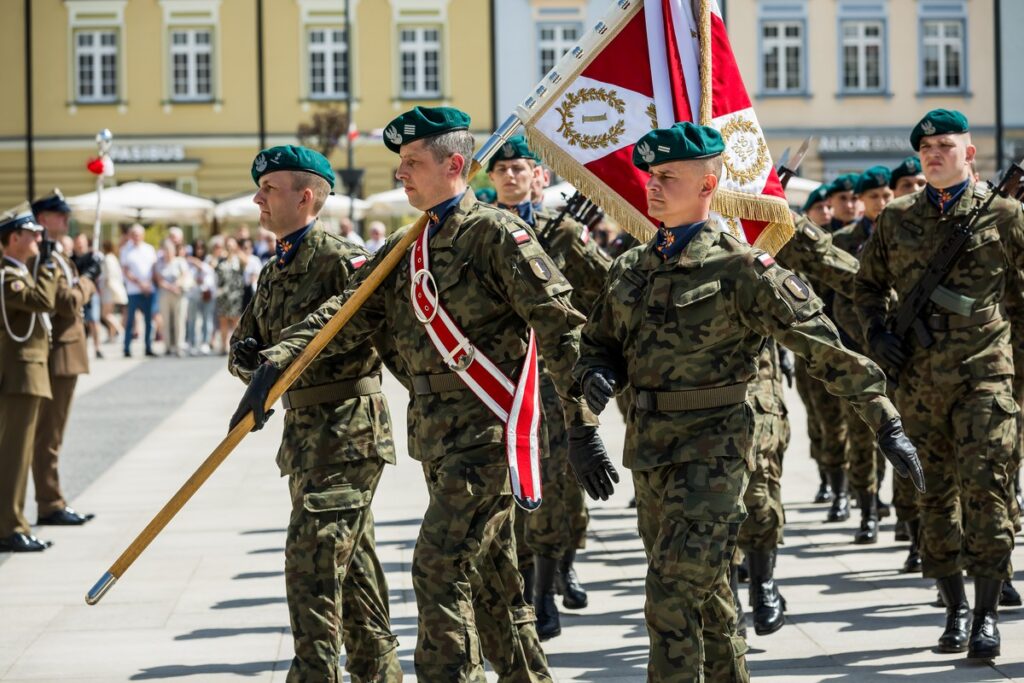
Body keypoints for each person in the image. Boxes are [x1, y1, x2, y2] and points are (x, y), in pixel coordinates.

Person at [231, 106, 608, 682]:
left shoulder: (495, 234)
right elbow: (343, 314)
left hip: (489, 437)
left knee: (437, 570)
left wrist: (581, 426)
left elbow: (559, 323)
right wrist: (275, 364)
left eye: (412, 162)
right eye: (400, 163)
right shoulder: (410, 245)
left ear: (454, 164)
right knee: (493, 585)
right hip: (438, 440)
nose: (400, 173)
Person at [572, 122, 923, 682]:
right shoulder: (630, 269)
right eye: (650, 176)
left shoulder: (742, 270)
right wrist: (586, 417)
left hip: (715, 457)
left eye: (667, 177)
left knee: (669, 596)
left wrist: (885, 423)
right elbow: (596, 347)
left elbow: (824, 348)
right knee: (707, 598)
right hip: (651, 456)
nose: (652, 187)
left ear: (708, 185)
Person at [228, 145, 401, 682]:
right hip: (305, 440)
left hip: (346, 432)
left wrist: (274, 358)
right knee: (352, 575)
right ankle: (379, 674)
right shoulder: (273, 268)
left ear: (305, 196)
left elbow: (353, 326)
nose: (258, 198)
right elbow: (250, 341)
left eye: (269, 189)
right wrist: (247, 359)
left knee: (312, 567)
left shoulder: (341, 258)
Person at [856, 109, 1022, 660]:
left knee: (988, 493)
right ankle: (951, 606)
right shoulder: (897, 218)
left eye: (944, 144)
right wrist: (877, 333)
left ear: (969, 153)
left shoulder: (1005, 216)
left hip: (985, 377)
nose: (932, 153)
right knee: (932, 497)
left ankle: (986, 615)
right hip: (920, 380)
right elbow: (868, 287)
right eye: (925, 146)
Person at [487, 136, 612, 639]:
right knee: (518, 481)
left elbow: (609, 287)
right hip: (506, 381)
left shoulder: (563, 233)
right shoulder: (485, 232)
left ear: (539, 175)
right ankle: (531, 586)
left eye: (520, 168)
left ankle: (556, 572)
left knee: (562, 486)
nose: (512, 176)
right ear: (491, 179)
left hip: (559, 380)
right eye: (503, 170)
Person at [830, 167, 895, 545]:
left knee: (900, 434)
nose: (881, 203)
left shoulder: (905, 232)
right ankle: (867, 510)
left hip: (901, 352)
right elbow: (838, 302)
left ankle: (901, 511)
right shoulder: (843, 240)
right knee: (861, 436)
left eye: (887, 195)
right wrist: (865, 340)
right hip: (857, 353)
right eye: (874, 197)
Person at [30, 191, 98, 527]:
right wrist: (88, 280)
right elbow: (66, 302)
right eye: (60, 215)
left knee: (52, 435)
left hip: (66, 351)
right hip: (58, 352)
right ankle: (50, 502)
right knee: (49, 436)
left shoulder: (55, 253)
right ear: (43, 219)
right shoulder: (43, 255)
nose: (66, 221)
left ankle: (52, 499)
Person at [0, 205, 58, 551]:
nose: (39, 237)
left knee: (18, 456)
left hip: (28, 373)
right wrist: (49, 267)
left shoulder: (17, 272)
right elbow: (42, 300)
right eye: (31, 233)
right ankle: (10, 527)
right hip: (20, 375)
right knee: (14, 457)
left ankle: (14, 523)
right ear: (14, 238)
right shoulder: (9, 276)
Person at [120, 224, 158, 357]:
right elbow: (126, 270)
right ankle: (126, 347)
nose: (136, 237)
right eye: (134, 234)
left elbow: (154, 269)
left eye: (138, 234)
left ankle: (148, 346)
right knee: (130, 320)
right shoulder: (125, 250)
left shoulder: (149, 249)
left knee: (149, 320)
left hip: (149, 289)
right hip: (133, 291)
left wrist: (148, 284)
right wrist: (140, 283)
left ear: (142, 235)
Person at [154, 240, 192, 357]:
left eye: (170, 250)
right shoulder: (159, 263)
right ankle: (167, 346)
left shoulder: (180, 261)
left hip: (179, 294)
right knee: (166, 320)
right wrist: (170, 287)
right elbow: (159, 280)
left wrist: (177, 285)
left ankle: (179, 345)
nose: (168, 253)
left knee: (179, 320)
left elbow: (184, 275)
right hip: (165, 294)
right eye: (166, 250)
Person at [214, 236, 245, 354]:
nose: (229, 247)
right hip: (223, 295)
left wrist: (236, 252)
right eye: (228, 245)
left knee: (236, 321)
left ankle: (235, 345)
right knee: (223, 320)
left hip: (236, 294)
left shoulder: (239, 259)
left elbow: (246, 262)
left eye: (232, 245)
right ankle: (223, 346)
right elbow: (214, 267)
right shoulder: (221, 259)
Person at [185, 239, 216, 355]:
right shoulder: (188, 261)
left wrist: (196, 262)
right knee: (192, 320)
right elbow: (187, 275)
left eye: (201, 247)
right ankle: (191, 343)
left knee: (206, 319)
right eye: (197, 248)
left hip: (207, 294)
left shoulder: (208, 259)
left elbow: (209, 271)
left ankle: (205, 343)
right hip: (193, 294)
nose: (199, 250)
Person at [99, 239, 126, 343]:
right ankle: (111, 336)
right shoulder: (113, 258)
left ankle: (120, 330)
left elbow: (108, 276)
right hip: (111, 289)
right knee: (109, 313)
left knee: (106, 315)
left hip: (108, 290)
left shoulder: (108, 259)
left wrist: (103, 288)